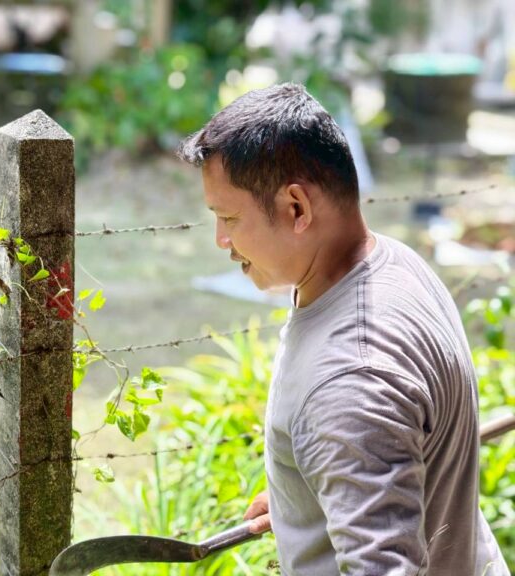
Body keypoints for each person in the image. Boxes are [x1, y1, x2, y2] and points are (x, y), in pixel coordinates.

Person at [178, 83, 510, 575]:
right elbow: (395, 449)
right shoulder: (394, 264)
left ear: (296, 208)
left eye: (229, 217)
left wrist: (345, 459)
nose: (221, 240)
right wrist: (313, 491)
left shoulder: (350, 378)